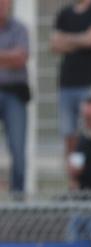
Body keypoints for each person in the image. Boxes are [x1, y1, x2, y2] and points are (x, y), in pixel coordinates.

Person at [51, 0, 91, 156]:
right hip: (67, 83)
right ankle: (73, 175)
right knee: (69, 135)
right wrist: (81, 39)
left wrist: (66, 39)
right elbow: (55, 45)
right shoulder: (64, 13)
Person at [0, 0, 29, 193]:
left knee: (18, 150)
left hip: (14, 95)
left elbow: (20, 58)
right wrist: (8, 56)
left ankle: (18, 198)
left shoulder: (19, 29)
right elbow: (14, 57)